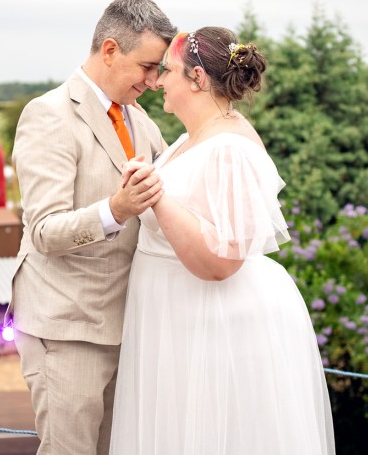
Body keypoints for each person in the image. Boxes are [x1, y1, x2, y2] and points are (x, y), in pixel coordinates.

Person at [109, 27, 336, 454]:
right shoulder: (190, 138)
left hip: (213, 326)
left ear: (197, 78)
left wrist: (155, 194)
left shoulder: (230, 147)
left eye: (168, 71)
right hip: (176, 321)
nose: (157, 81)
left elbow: (220, 262)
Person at [5, 0, 177, 455]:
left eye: (159, 69)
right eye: (147, 67)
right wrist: (115, 209)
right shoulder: (48, 115)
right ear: (110, 50)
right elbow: (44, 231)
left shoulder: (140, 119)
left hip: (127, 325)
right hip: (66, 329)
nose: (153, 81)